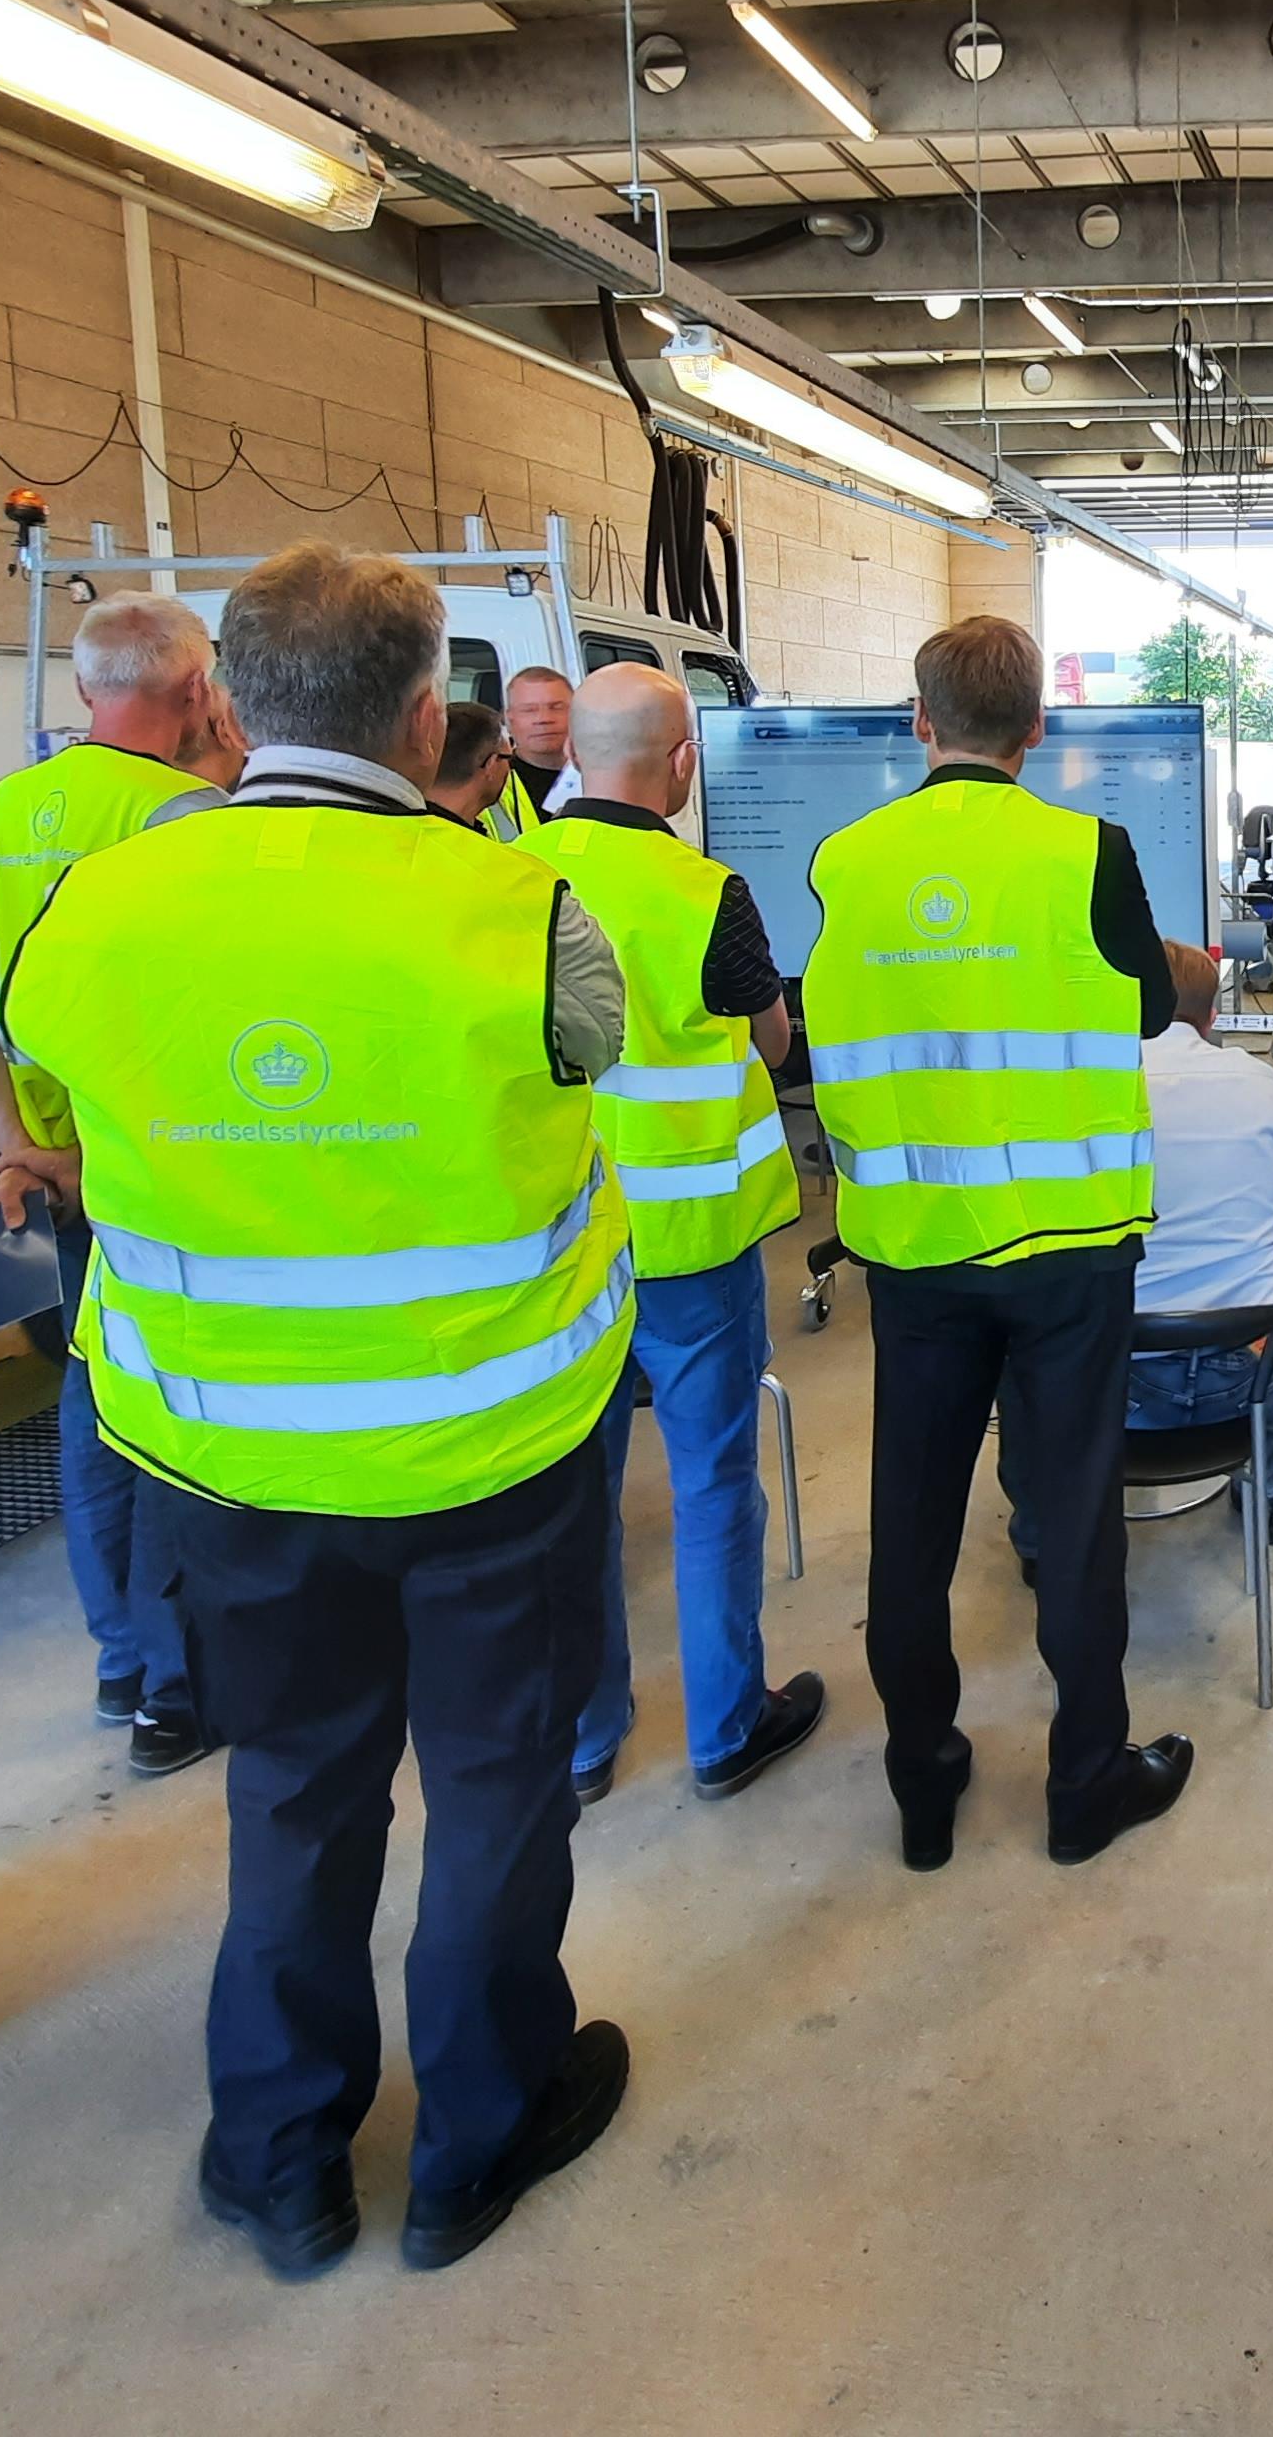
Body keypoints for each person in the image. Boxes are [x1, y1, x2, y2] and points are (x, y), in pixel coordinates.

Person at [4, 541, 637, 2281]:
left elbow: (46, 1068)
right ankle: (477, 2141)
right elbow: (592, 1056)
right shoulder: (526, 910)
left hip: (231, 1462)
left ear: (227, 699)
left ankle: (282, 2160)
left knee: (292, 1792)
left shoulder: (95, 905)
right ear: (429, 716)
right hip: (492, 1450)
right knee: (496, 1790)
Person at [804, 617, 1189, 1873]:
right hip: (1069, 1247)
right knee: (1071, 1518)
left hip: (917, 1247)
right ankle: (1084, 1786)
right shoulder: (1089, 849)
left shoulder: (844, 861)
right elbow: (1147, 1004)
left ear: (920, 722)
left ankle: (922, 1784)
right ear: (1036, 728)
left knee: (911, 1527)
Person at [0, 591, 234, 1775]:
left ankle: (124, 1663)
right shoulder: (192, 818)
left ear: (86, 691)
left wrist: (24, 1149)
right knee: (185, 1412)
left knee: (95, 1406)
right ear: (197, 690)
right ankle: (181, 1690)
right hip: (169, 1171)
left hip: (61, 1174)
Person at [534, 664, 825, 1807]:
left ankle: (584, 1742)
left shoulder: (507, 875)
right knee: (710, 1487)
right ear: (684, 764)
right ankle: (726, 1728)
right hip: (690, 1243)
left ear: (571, 756)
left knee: (571, 1498)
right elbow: (771, 1041)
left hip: (555, 1246)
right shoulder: (707, 893)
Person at [1008, 940, 1273, 1580]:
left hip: (1114, 1377)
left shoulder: (1080, 1090)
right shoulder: (1263, 1082)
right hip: (1248, 1366)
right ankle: (1271, 1495)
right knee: (1253, 1294)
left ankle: (1041, 1539)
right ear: (1213, 1014)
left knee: (1012, 1344)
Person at [494, 664, 576, 839]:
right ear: (508, 719)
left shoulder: (607, 777)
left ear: (577, 712)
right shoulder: (493, 784)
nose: (543, 719)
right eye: (529, 710)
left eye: (556, 707)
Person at [427, 699, 514, 830]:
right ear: (490, 765)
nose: (509, 769)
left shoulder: (397, 829)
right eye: (508, 758)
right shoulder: (466, 841)